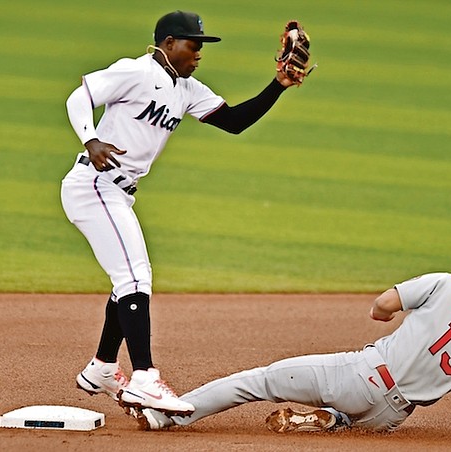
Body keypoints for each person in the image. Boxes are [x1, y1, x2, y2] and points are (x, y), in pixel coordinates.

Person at [61, 10, 306, 415]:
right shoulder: (135, 72)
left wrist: (278, 85)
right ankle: (144, 378)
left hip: (117, 193)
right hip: (93, 184)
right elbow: (79, 96)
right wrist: (91, 139)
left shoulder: (186, 88)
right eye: (194, 45)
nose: (199, 53)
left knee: (128, 277)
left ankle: (103, 367)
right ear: (169, 43)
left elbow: (233, 122)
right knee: (135, 276)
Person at [129, 262, 451, 438]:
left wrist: (385, 316)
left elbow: (383, 305)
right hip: (391, 417)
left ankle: (168, 416)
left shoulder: (444, 284)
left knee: (260, 380)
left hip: (362, 375)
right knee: (357, 417)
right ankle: (331, 420)